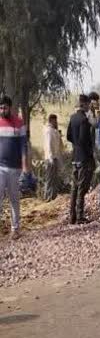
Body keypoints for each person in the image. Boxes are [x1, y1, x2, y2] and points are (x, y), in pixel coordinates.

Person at [0, 96, 29, 239]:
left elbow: (23, 146)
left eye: (4, 107)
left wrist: (25, 166)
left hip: (15, 168)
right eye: (0, 107)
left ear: (10, 107)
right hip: (0, 168)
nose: (2, 110)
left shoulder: (19, 123)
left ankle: (15, 228)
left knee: (14, 198)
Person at [67, 94, 95, 225]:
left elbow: (68, 136)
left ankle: (71, 216)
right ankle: (79, 216)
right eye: (89, 104)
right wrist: (90, 153)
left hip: (75, 156)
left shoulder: (72, 118)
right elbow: (84, 139)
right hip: (83, 157)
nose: (89, 106)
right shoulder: (84, 120)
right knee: (81, 187)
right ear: (84, 104)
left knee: (74, 187)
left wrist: (76, 145)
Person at [42, 113, 64, 202]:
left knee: (54, 179)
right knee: (50, 179)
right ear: (51, 120)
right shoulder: (48, 131)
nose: (56, 122)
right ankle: (48, 197)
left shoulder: (53, 130)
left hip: (55, 157)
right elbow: (48, 145)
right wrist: (50, 158)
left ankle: (53, 197)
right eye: (55, 120)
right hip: (50, 158)